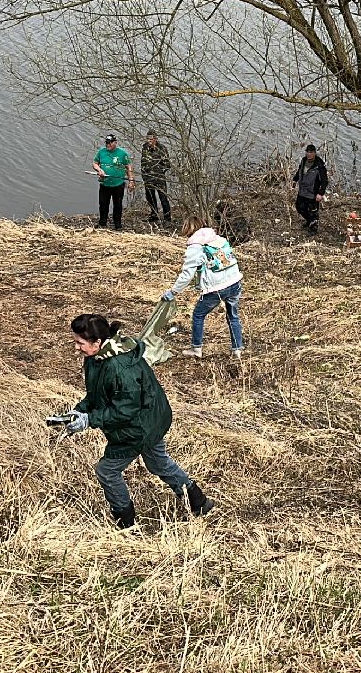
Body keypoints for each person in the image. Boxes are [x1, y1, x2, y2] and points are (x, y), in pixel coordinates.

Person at [60, 312, 214, 527]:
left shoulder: (120, 368)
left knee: (107, 471)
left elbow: (125, 411)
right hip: (145, 420)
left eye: (80, 343)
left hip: (141, 425)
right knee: (159, 463)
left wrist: (90, 420)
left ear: (98, 342)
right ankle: (199, 503)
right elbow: (97, 395)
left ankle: (126, 523)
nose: (76, 348)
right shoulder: (96, 358)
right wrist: (78, 412)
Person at [162, 221, 245, 359]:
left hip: (217, 287)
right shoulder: (218, 238)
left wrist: (173, 292)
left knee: (198, 315)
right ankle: (237, 350)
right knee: (233, 316)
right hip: (235, 281)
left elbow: (187, 275)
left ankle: (196, 349)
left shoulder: (195, 247)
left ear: (188, 230)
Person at [92, 133, 132, 231]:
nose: (108, 145)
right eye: (107, 143)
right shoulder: (101, 152)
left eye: (110, 143)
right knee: (103, 204)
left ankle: (117, 224)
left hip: (118, 184)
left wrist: (131, 180)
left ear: (115, 143)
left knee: (117, 204)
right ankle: (102, 223)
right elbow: (95, 163)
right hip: (105, 184)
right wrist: (99, 170)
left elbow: (128, 166)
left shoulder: (122, 153)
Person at [290, 144, 328, 234]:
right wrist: (295, 180)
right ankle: (309, 221)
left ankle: (313, 229)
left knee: (313, 212)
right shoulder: (303, 161)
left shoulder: (319, 166)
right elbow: (299, 171)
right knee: (299, 207)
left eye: (311, 152)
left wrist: (320, 193)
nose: (309, 154)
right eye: (307, 152)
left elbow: (324, 181)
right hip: (302, 190)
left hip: (313, 193)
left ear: (314, 153)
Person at [140, 131, 172, 224]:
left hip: (159, 178)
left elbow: (167, 164)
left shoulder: (162, 148)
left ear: (155, 139)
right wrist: (144, 173)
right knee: (150, 197)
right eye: (147, 139)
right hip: (147, 178)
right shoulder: (145, 147)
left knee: (163, 198)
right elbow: (143, 161)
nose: (149, 141)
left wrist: (158, 171)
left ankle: (167, 218)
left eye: (151, 139)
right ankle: (154, 215)